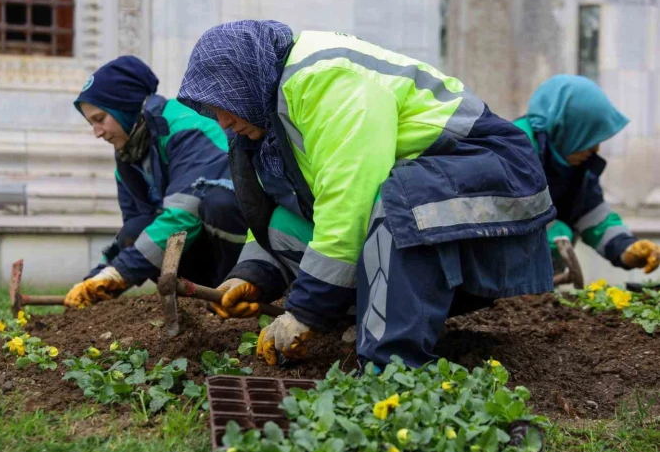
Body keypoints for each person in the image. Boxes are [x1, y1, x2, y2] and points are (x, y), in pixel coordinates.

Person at [176, 21, 556, 368]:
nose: (222, 122)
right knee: (279, 225)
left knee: (397, 201)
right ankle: (368, 323)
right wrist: (253, 274)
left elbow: (352, 199)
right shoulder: (273, 110)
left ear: (245, 82)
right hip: (430, 196)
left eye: (223, 105)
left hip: (494, 172)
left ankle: (391, 369)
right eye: (213, 111)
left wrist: (305, 311)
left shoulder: (323, 79)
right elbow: (286, 207)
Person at [64, 56, 247, 308]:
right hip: (201, 245)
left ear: (124, 108)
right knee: (134, 231)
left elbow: (186, 210)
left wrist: (121, 272)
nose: (97, 133)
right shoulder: (128, 158)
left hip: (247, 242)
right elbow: (137, 229)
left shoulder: (187, 125)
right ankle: (199, 303)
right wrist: (98, 277)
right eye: (91, 123)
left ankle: (237, 290)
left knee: (218, 202)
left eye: (99, 119)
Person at [514, 75, 660, 276]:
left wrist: (628, 249)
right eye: (589, 136)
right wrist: (555, 235)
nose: (595, 148)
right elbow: (506, 218)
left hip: (531, 279)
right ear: (567, 126)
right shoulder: (513, 150)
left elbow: (592, 214)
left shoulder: (571, 160)